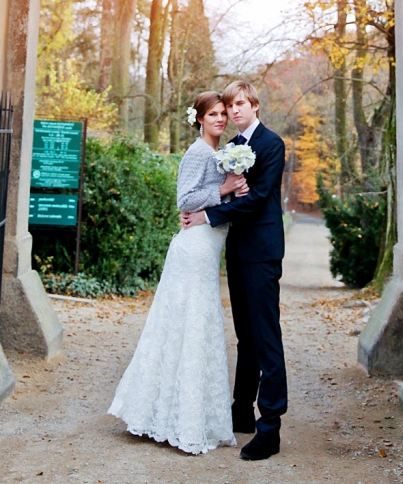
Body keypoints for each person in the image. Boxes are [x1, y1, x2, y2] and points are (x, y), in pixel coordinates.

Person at [108, 91, 248, 455]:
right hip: (194, 249)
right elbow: (184, 200)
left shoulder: (221, 153)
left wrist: (236, 189)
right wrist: (224, 188)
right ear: (199, 119)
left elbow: (213, 200)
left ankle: (186, 415)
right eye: (213, 114)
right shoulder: (198, 152)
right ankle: (175, 419)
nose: (220, 119)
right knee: (189, 325)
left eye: (223, 113)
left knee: (196, 327)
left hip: (209, 245)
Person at [181, 80, 287, 461]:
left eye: (241, 103)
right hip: (237, 251)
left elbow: (257, 199)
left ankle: (270, 427)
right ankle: (242, 409)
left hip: (262, 252)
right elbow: (217, 190)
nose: (234, 110)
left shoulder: (271, 145)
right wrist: (203, 207)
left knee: (266, 337)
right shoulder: (230, 148)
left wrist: (207, 216)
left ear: (255, 105)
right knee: (245, 336)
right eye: (230, 105)